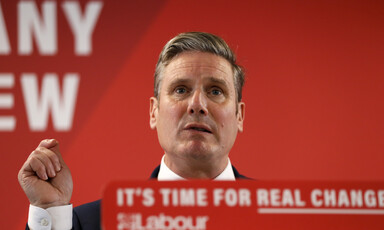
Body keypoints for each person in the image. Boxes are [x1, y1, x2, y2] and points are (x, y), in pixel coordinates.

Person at [18, 32, 248, 229]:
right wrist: (50, 210)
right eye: (180, 90)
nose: (197, 104)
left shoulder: (281, 218)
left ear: (239, 115)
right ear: (153, 112)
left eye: (216, 91)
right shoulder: (87, 224)